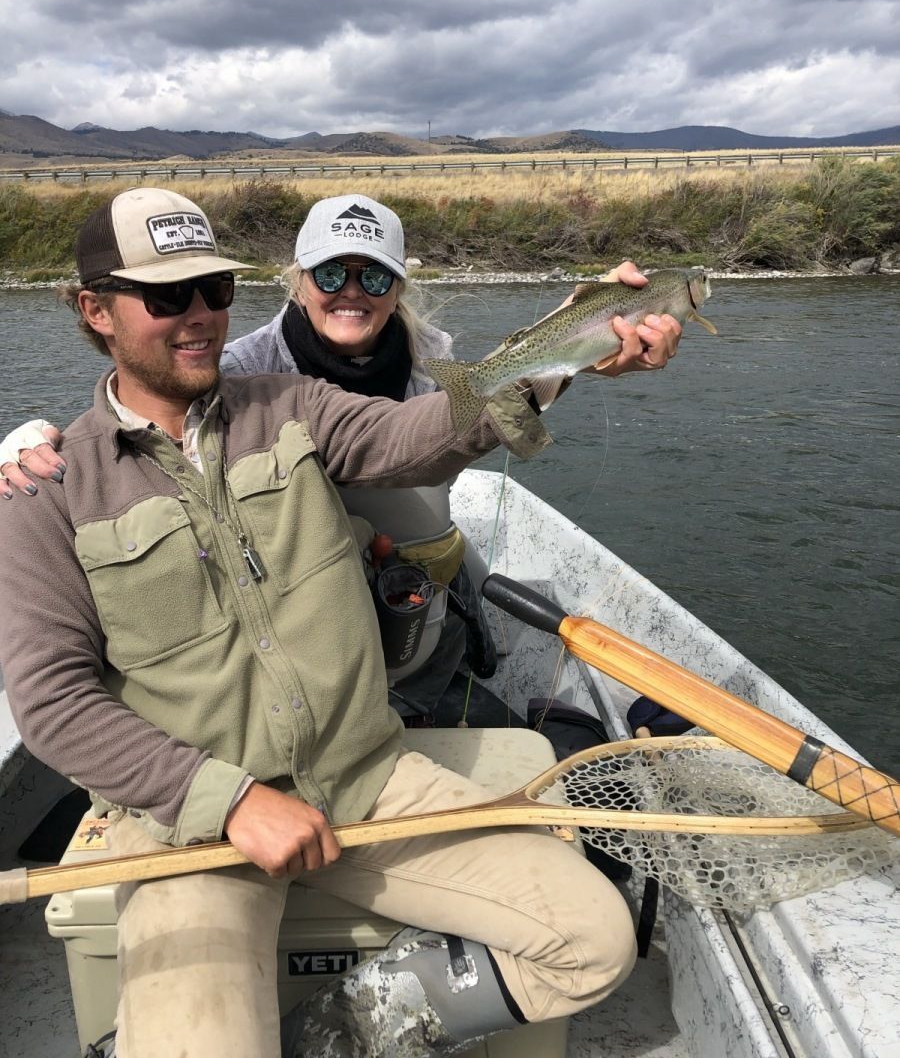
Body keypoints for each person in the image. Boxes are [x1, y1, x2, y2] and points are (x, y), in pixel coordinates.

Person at [0, 187, 637, 1058]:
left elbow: (427, 431)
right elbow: (54, 703)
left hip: (366, 776)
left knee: (599, 939)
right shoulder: (46, 492)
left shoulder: (294, 406)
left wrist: (582, 335)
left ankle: (338, 1032)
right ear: (94, 310)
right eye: (167, 296)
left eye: (215, 291)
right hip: (189, 825)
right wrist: (223, 802)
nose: (199, 318)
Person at [0, 193, 682, 726]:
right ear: (297, 281)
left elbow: (433, 428)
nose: (351, 290)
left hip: (414, 562)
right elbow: (135, 432)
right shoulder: (235, 373)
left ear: (397, 287)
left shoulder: (436, 361)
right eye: (330, 272)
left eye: (374, 276)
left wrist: (574, 339)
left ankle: (432, 651)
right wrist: (30, 441)